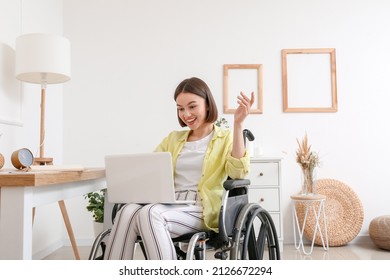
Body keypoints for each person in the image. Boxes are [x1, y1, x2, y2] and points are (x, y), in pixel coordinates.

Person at [104, 77, 254, 260]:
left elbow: (238, 173)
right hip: (169, 202)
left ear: (208, 104)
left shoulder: (225, 138)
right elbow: (148, 169)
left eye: (192, 106)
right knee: (126, 211)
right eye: (180, 108)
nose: (186, 114)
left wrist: (238, 124)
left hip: (202, 207)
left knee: (151, 214)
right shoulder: (173, 139)